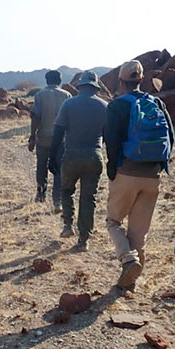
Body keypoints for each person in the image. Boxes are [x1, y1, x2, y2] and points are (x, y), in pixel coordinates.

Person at [104, 60, 174, 289]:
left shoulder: (117, 106)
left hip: (127, 173)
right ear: (142, 80)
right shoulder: (156, 102)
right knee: (138, 232)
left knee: (113, 222)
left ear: (121, 81)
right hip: (153, 176)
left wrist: (113, 170)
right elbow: (170, 137)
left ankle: (128, 259)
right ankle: (132, 281)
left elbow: (112, 142)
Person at [48, 71, 108, 250]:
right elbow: (110, 136)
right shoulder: (104, 106)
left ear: (80, 86)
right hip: (94, 155)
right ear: (95, 87)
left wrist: (52, 157)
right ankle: (83, 240)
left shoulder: (69, 104)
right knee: (89, 198)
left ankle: (67, 225)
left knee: (67, 191)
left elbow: (58, 132)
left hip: (72, 154)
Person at [28, 70, 71, 212]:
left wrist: (32, 136)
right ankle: (57, 201)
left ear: (47, 81)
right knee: (59, 169)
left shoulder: (40, 95)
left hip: (44, 138)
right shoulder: (66, 95)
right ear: (59, 81)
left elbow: (36, 117)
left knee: (42, 166)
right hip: (61, 139)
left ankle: (41, 193)